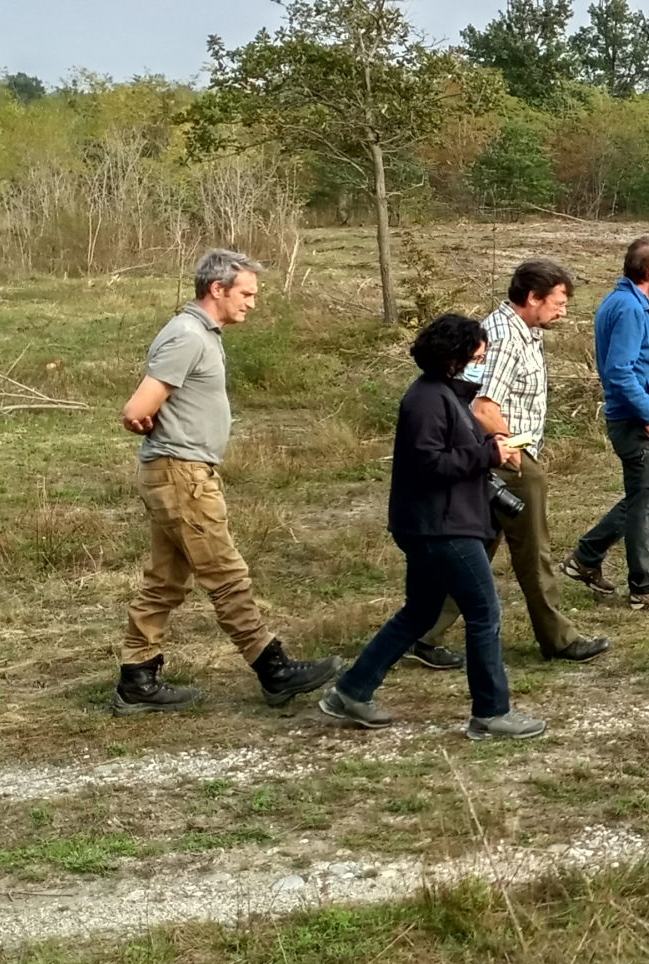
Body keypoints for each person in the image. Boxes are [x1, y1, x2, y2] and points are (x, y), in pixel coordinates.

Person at [113, 249, 342, 714]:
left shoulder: (199, 333)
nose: (252, 303)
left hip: (177, 472)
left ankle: (137, 679)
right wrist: (146, 420)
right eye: (246, 293)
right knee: (226, 574)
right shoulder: (186, 335)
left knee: (164, 583)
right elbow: (136, 409)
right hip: (181, 475)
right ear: (217, 289)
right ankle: (273, 668)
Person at [319, 313, 548, 740]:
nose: (481, 365)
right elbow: (428, 463)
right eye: (477, 358)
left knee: (420, 612)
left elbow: (452, 447)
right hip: (441, 527)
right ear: (454, 357)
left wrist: (489, 444)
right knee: (484, 612)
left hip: (435, 523)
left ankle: (351, 691)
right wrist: (487, 456)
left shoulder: (445, 395)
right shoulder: (427, 400)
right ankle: (491, 713)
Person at [407, 260, 609, 670]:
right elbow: (483, 407)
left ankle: (423, 633)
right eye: (558, 302)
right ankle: (559, 639)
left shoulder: (524, 332)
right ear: (533, 297)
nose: (563, 311)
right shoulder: (502, 338)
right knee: (534, 552)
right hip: (505, 460)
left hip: (496, 457)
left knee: (474, 550)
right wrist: (512, 452)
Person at [564, 237, 649, 610]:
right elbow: (619, 370)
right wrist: (648, 413)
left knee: (641, 497)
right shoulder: (631, 308)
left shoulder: (618, 301)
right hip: (636, 420)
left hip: (629, 416)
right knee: (645, 503)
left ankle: (585, 558)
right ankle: (644, 587)